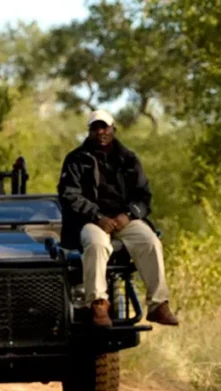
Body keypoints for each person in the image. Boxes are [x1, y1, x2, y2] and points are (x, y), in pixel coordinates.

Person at [57, 109, 178, 327]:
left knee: (150, 242)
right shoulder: (76, 159)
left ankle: (158, 305)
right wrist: (97, 216)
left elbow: (144, 195)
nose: (100, 132)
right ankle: (98, 304)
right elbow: (69, 195)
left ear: (113, 129)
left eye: (105, 127)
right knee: (96, 244)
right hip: (90, 221)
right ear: (89, 131)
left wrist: (129, 215)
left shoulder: (128, 159)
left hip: (124, 219)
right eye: (95, 128)